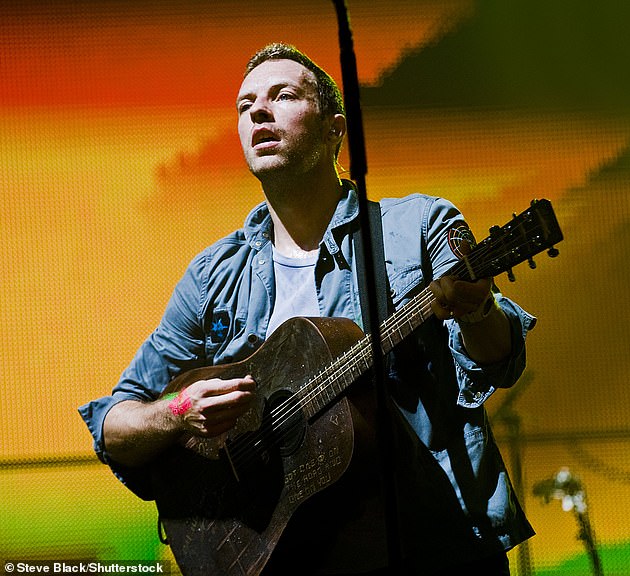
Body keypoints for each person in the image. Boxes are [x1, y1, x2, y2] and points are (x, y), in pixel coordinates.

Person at [79, 43, 535, 575]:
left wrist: (479, 311)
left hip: (432, 544)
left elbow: (498, 362)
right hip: (289, 556)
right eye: (245, 105)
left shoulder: (416, 228)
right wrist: (177, 412)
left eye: (283, 96)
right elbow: (113, 421)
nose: (259, 112)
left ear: (334, 129)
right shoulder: (213, 275)